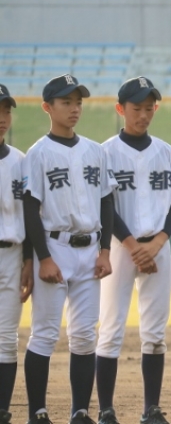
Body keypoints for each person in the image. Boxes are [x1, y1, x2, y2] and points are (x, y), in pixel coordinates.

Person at [22, 74, 117, 424]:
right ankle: (38, 413)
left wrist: (105, 250)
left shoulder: (95, 150)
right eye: (66, 102)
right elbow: (30, 208)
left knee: (84, 335)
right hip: (55, 246)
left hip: (90, 248)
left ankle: (80, 412)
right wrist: (44, 258)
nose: (74, 108)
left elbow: (106, 201)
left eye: (78, 102)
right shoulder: (38, 153)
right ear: (47, 107)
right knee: (45, 334)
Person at [96, 77, 171, 424]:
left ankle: (151, 409)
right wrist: (134, 246)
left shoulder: (165, 152)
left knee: (154, 333)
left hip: (157, 246)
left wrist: (158, 242)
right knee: (110, 329)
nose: (144, 114)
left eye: (150, 108)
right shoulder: (105, 152)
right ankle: (106, 410)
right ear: (120, 109)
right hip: (121, 248)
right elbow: (105, 204)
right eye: (137, 108)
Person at [0, 84, 33, 424]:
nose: (2, 117)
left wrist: (28, 260)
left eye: (6, 110)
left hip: (11, 254)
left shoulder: (20, 161)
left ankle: (2, 409)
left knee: (7, 339)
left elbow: (30, 215)